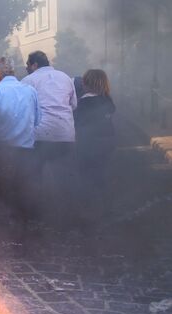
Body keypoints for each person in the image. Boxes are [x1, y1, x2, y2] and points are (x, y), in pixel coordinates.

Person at [0, 57, 42, 217]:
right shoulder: (30, 91)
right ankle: (21, 230)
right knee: (20, 192)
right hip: (26, 152)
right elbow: (38, 120)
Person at [21, 51, 77, 163]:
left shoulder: (28, 80)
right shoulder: (65, 77)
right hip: (65, 134)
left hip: (40, 136)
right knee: (63, 173)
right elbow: (74, 105)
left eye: (28, 65)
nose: (26, 68)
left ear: (35, 65)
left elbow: (23, 109)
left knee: (38, 173)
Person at [74, 69, 115, 216]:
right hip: (107, 141)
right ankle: (106, 205)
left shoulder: (84, 102)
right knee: (101, 172)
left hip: (88, 143)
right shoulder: (107, 99)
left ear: (86, 84)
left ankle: (87, 208)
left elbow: (78, 123)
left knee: (85, 174)